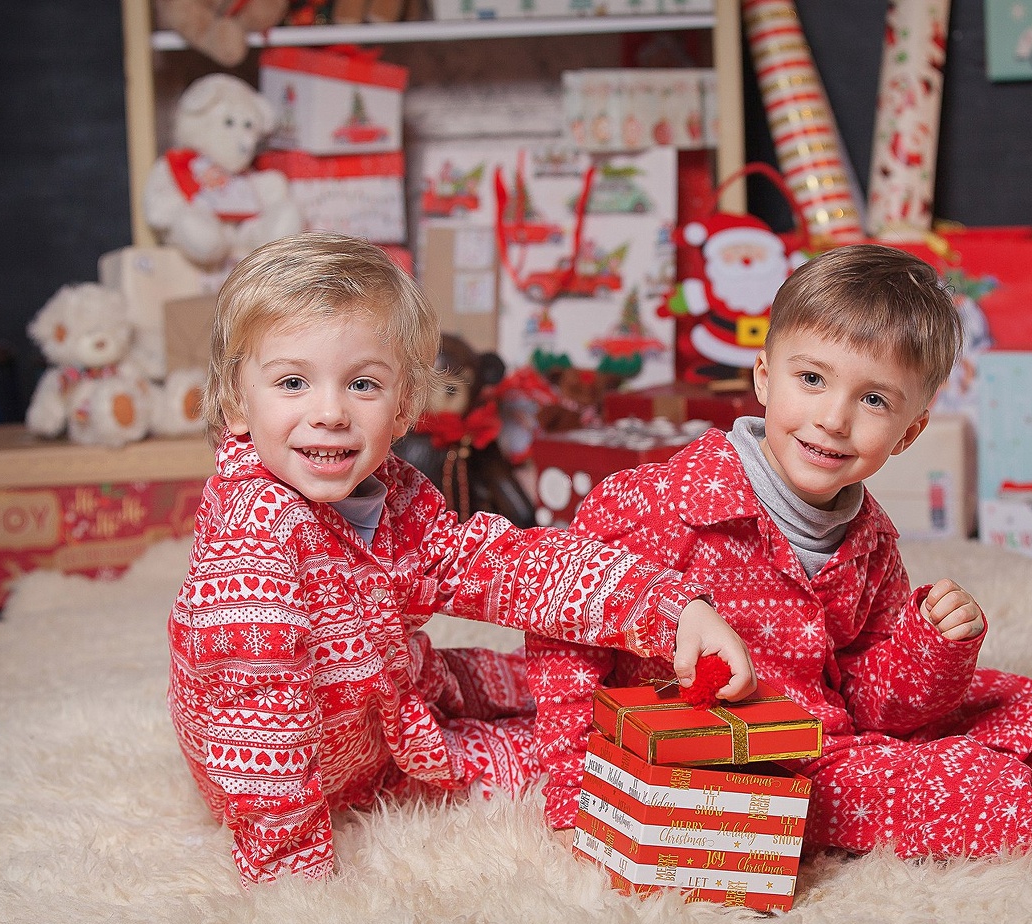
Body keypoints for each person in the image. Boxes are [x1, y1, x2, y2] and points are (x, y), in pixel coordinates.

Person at [527, 243, 1032, 888]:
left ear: (912, 431)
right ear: (762, 377)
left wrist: (933, 645)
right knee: (945, 782)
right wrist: (574, 788)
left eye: (874, 400)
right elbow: (562, 637)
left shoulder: (868, 536)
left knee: (996, 699)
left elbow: (885, 701)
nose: (833, 419)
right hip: (734, 757)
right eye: (812, 379)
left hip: (833, 724)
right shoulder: (656, 504)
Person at [167, 233, 755, 885]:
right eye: (292, 382)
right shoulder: (253, 541)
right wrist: (289, 872)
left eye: (362, 383)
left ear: (404, 406)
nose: (329, 412)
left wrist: (664, 606)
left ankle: (646, 670)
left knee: (546, 674)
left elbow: (500, 565)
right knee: (572, 749)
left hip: (386, 685)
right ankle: (615, 742)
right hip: (305, 760)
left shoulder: (393, 492)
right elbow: (258, 725)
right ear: (234, 404)